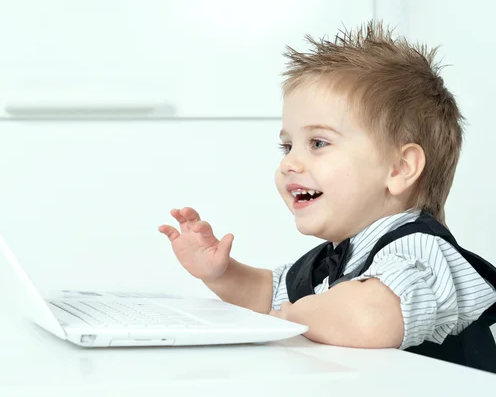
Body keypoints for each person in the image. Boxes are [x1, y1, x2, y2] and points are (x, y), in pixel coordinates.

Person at [158, 20, 496, 372]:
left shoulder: (419, 249)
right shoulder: (338, 255)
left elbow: (370, 316)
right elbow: (267, 294)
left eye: (318, 143)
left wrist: (289, 316)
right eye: (287, 145)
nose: (289, 162)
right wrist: (222, 273)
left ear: (399, 168)